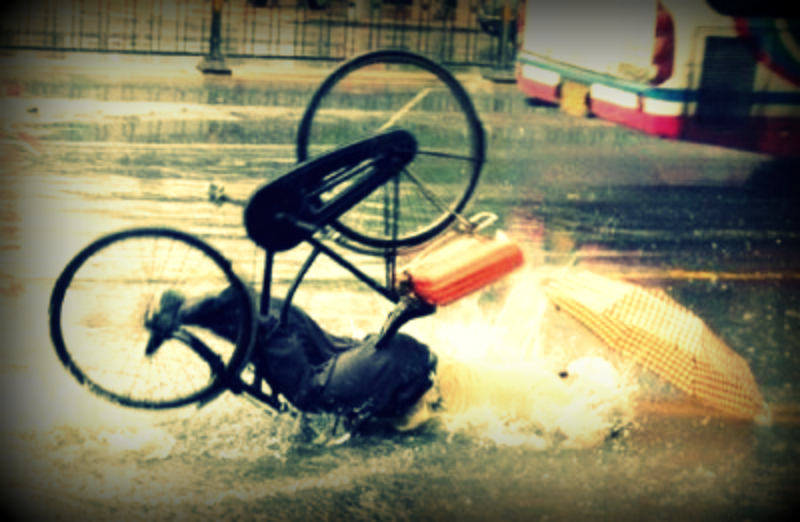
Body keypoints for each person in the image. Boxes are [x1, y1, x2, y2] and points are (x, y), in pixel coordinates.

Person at [150, 287, 440, 432]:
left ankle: (182, 312)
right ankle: (182, 313)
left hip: (379, 359)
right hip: (380, 359)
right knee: (272, 327)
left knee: (273, 329)